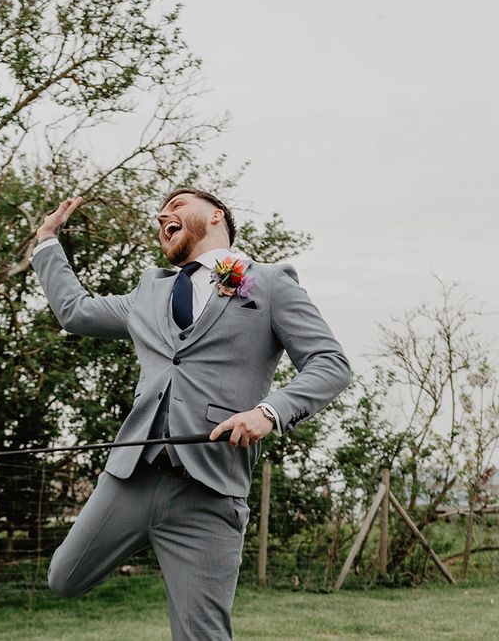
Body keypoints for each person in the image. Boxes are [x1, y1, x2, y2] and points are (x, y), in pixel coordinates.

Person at [31, 188, 351, 640]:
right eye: (161, 212)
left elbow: (330, 363)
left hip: (210, 491)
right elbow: (75, 311)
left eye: (177, 205)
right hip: (131, 477)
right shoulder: (148, 292)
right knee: (63, 578)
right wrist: (47, 241)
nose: (163, 214)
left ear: (217, 215)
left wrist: (269, 412)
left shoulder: (270, 283)